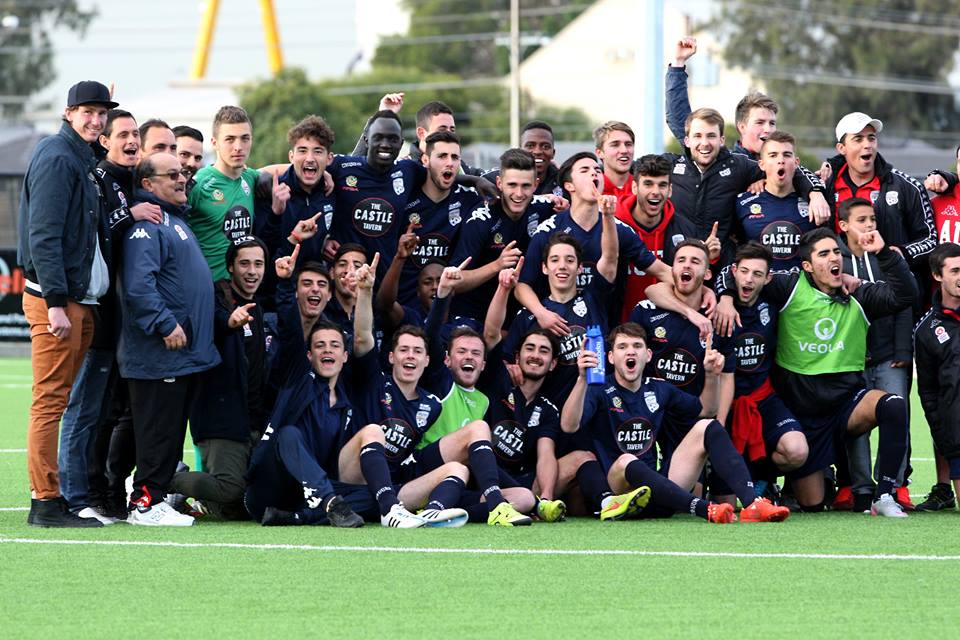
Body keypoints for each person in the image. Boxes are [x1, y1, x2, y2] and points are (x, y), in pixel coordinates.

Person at [715, 227, 916, 516]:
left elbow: (905, 294)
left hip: (846, 403)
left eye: (836, 252)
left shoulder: (859, 293)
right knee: (812, 503)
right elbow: (738, 273)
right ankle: (764, 477)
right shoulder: (789, 286)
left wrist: (883, 253)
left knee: (893, 405)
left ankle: (884, 496)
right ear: (807, 266)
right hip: (801, 413)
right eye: (824, 254)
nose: (835, 258)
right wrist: (724, 297)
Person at [561, 322, 789, 523]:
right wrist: (582, 379)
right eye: (622, 347)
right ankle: (703, 508)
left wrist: (711, 376)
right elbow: (569, 427)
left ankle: (753, 503)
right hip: (621, 492)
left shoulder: (659, 388)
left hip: (661, 492)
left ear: (648, 355)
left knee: (708, 427)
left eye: (637, 346)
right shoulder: (598, 390)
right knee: (626, 460)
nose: (630, 351)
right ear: (610, 357)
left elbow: (706, 409)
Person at [19, 80, 117, 528]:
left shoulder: (77, 155)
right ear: (67, 112)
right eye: (87, 111)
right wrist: (56, 302)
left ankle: (53, 496)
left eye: (102, 112)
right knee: (51, 401)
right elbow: (44, 235)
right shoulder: (58, 157)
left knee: (59, 401)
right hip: (57, 302)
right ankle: (45, 501)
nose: (96, 120)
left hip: (77, 301)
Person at [59, 108, 162, 523]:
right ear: (104, 141)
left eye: (136, 134)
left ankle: (98, 492)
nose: (131, 140)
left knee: (103, 412)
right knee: (83, 410)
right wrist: (129, 216)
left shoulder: (129, 182)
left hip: (120, 323)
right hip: (95, 317)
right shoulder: (99, 178)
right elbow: (94, 230)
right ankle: (74, 494)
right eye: (122, 134)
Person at [119, 152, 221, 525]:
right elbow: (138, 285)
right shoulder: (147, 226)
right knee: (157, 432)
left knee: (170, 432)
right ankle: (144, 503)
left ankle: (156, 497)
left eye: (184, 173)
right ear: (148, 184)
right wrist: (164, 324)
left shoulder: (174, 219)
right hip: (159, 353)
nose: (183, 179)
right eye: (173, 174)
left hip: (182, 356)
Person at [170, 237, 271, 520]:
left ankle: (206, 501)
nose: (252, 271)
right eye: (245, 264)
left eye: (258, 264)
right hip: (221, 419)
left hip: (252, 419)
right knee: (230, 490)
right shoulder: (215, 297)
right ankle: (162, 478)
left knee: (247, 506)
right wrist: (229, 322)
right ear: (230, 267)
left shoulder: (258, 307)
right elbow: (213, 320)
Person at [516, 152, 670, 335]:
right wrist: (542, 313)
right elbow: (522, 285)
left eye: (597, 170)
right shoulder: (547, 231)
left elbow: (661, 270)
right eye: (585, 170)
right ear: (569, 185)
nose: (594, 173)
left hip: (604, 334)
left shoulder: (619, 229)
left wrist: (700, 289)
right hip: (557, 333)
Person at [664, 108, 830, 268]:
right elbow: (640, 172)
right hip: (677, 267)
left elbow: (787, 167)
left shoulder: (737, 165)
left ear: (722, 140)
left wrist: (815, 193)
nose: (704, 143)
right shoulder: (670, 165)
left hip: (721, 267)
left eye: (711, 136)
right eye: (698, 136)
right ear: (687, 141)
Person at [834, 198, 915, 512]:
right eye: (861, 220)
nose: (869, 225)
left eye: (872, 219)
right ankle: (861, 488)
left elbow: (904, 303)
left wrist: (903, 348)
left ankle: (893, 487)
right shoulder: (835, 259)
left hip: (888, 355)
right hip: (852, 358)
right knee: (857, 426)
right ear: (843, 226)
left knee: (899, 415)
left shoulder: (888, 256)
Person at [448, 148, 558, 323]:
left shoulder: (545, 207)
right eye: (512, 185)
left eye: (526, 186)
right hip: (474, 315)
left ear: (536, 185)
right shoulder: (481, 219)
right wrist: (497, 265)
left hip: (519, 313)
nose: (519, 194)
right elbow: (454, 282)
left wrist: (564, 204)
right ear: (499, 183)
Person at [823, 112, 935, 268]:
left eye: (871, 138)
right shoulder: (824, 186)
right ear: (841, 148)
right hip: (842, 285)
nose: (867, 144)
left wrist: (902, 253)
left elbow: (930, 239)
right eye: (858, 139)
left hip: (893, 285)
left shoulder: (908, 186)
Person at [189, 105, 282, 281]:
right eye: (230, 139)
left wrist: (325, 172)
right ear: (214, 143)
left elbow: (282, 169)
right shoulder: (199, 184)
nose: (238, 147)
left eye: (244, 139)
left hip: (243, 289)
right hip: (211, 290)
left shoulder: (249, 177)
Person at [614, 154, 709, 322]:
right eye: (648, 184)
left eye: (662, 185)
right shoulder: (615, 225)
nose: (655, 192)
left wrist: (709, 291)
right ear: (634, 187)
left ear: (670, 190)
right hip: (621, 327)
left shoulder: (685, 229)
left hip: (668, 330)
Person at [395, 131, 483, 306]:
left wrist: (547, 199)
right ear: (426, 160)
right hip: (402, 309)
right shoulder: (404, 198)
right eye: (442, 156)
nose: (450, 163)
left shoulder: (470, 200)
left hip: (447, 312)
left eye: (455, 157)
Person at [666, 36, 777, 161]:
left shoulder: (787, 165)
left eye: (772, 123)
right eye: (760, 122)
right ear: (742, 127)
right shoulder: (723, 161)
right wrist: (678, 64)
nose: (768, 129)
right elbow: (679, 119)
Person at [914, 242, 960, 512]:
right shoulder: (927, 330)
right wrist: (941, 432)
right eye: (954, 271)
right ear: (937, 276)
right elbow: (928, 391)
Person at [733, 131, 821, 271]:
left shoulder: (815, 203)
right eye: (773, 155)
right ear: (761, 164)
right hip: (759, 288)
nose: (781, 160)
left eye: (787, 155)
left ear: (796, 162)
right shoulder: (742, 203)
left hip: (800, 289)